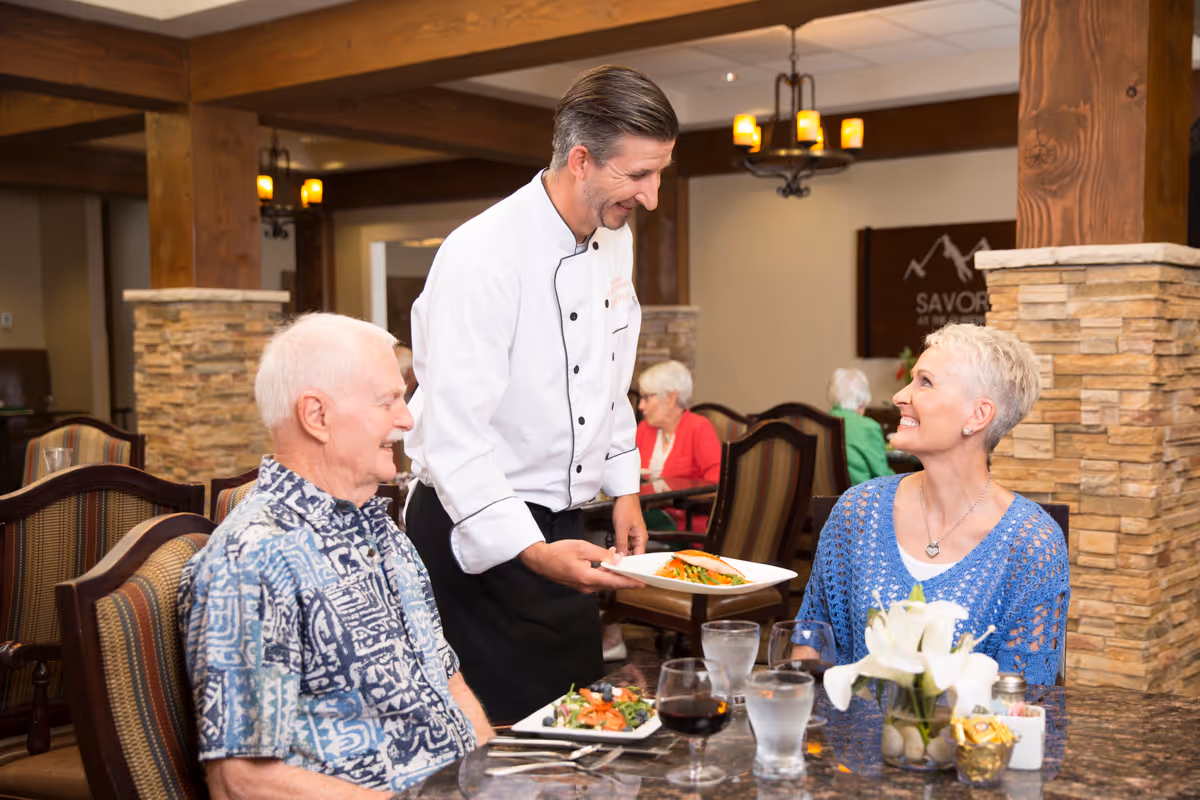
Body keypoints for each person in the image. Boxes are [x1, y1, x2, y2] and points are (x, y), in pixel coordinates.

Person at [403, 65, 678, 722]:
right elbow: (451, 436)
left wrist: (626, 489)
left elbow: (613, 376)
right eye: (638, 175)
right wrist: (528, 550)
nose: (653, 196)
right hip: (476, 531)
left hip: (561, 526)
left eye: (660, 172)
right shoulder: (482, 255)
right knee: (499, 754)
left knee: (580, 729)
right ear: (581, 160)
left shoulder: (616, 241)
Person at [179, 313, 493, 798]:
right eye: (388, 400)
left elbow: (448, 686)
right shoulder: (254, 558)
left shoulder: (384, 533)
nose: (407, 419)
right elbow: (241, 782)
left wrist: (493, 783)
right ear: (317, 417)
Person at [798, 323, 1070, 686]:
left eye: (925, 382)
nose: (899, 396)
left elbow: (1020, 702)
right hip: (848, 740)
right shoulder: (856, 512)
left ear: (977, 415)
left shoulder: (1031, 545)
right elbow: (808, 641)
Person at [635, 360, 721, 485]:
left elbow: (716, 484)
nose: (640, 406)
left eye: (646, 398)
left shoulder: (699, 428)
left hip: (685, 505)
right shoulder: (644, 429)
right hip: (642, 504)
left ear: (670, 398)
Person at [827, 367, 894, 486]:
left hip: (821, 501)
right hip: (860, 500)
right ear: (863, 402)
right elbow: (882, 475)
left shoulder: (819, 422)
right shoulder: (867, 427)